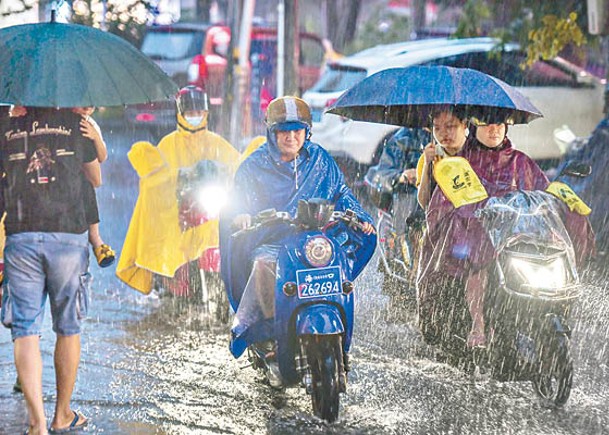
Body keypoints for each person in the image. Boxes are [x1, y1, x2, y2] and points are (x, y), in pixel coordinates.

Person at [220, 96, 375, 370]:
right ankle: (269, 334)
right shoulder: (253, 166)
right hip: (271, 240)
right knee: (264, 265)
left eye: (297, 131)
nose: (291, 137)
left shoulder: (320, 159)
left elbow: (341, 193)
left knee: (337, 262)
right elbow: (236, 202)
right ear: (272, 132)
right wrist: (241, 216)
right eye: (284, 131)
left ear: (307, 132)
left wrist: (360, 217)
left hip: (315, 238)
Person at [417, 117, 595, 348]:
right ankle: (478, 325)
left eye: (499, 124)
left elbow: (543, 191)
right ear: (473, 127)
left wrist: (566, 207)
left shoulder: (520, 161)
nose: (494, 129)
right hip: (482, 238)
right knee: (478, 252)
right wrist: (470, 219)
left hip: (519, 236)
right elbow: (439, 207)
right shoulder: (459, 163)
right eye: (487, 124)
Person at [0, 106, 99, 434]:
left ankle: (37, 423)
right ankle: (61, 415)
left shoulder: (6, 120)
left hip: (21, 233)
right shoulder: (75, 121)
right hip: (67, 236)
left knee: (26, 329)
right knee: (67, 328)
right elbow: (95, 178)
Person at [116, 85, 240, 296]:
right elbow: (156, 180)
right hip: (178, 214)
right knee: (169, 244)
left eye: (199, 113)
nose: (195, 117)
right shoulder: (168, 144)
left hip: (210, 213)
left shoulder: (217, 143)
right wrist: (183, 175)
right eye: (190, 113)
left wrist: (222, 171)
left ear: (206, 113)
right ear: (181, 115)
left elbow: (237, 167)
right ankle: (168, 284)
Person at [8, 105, 115, 268]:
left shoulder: (87, 125)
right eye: (82, 104)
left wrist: (95, 137)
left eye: (91, 106)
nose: (86, 109)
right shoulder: (23, 119)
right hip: (52, 213)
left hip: (72, 182)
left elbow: (102, 159)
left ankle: (96, 239)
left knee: (86, 187)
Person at [416, 108, 470, 209]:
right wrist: (427, 165)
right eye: (436, 128)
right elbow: (424, 202)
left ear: (464, 124)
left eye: (449, 126)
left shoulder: (476, 153)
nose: (443, 133)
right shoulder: (429, 157)